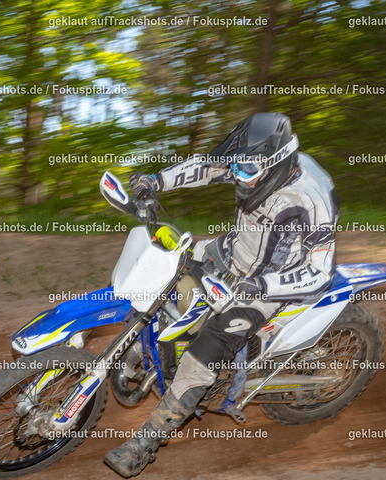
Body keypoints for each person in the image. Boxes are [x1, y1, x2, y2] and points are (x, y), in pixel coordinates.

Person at [104, 112, 339, 477]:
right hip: (228, 252)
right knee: (162, 275)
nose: (238, 175)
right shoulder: (255, 163)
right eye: (237, 167)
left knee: (206, 349)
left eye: (246, 170)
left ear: (276, 163)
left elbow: (320, 271)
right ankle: (140, 351)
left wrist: (261, 286)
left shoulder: (310, 199)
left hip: (269, 285)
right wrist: (156, 181)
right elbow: (208, 167)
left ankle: (146, 442)